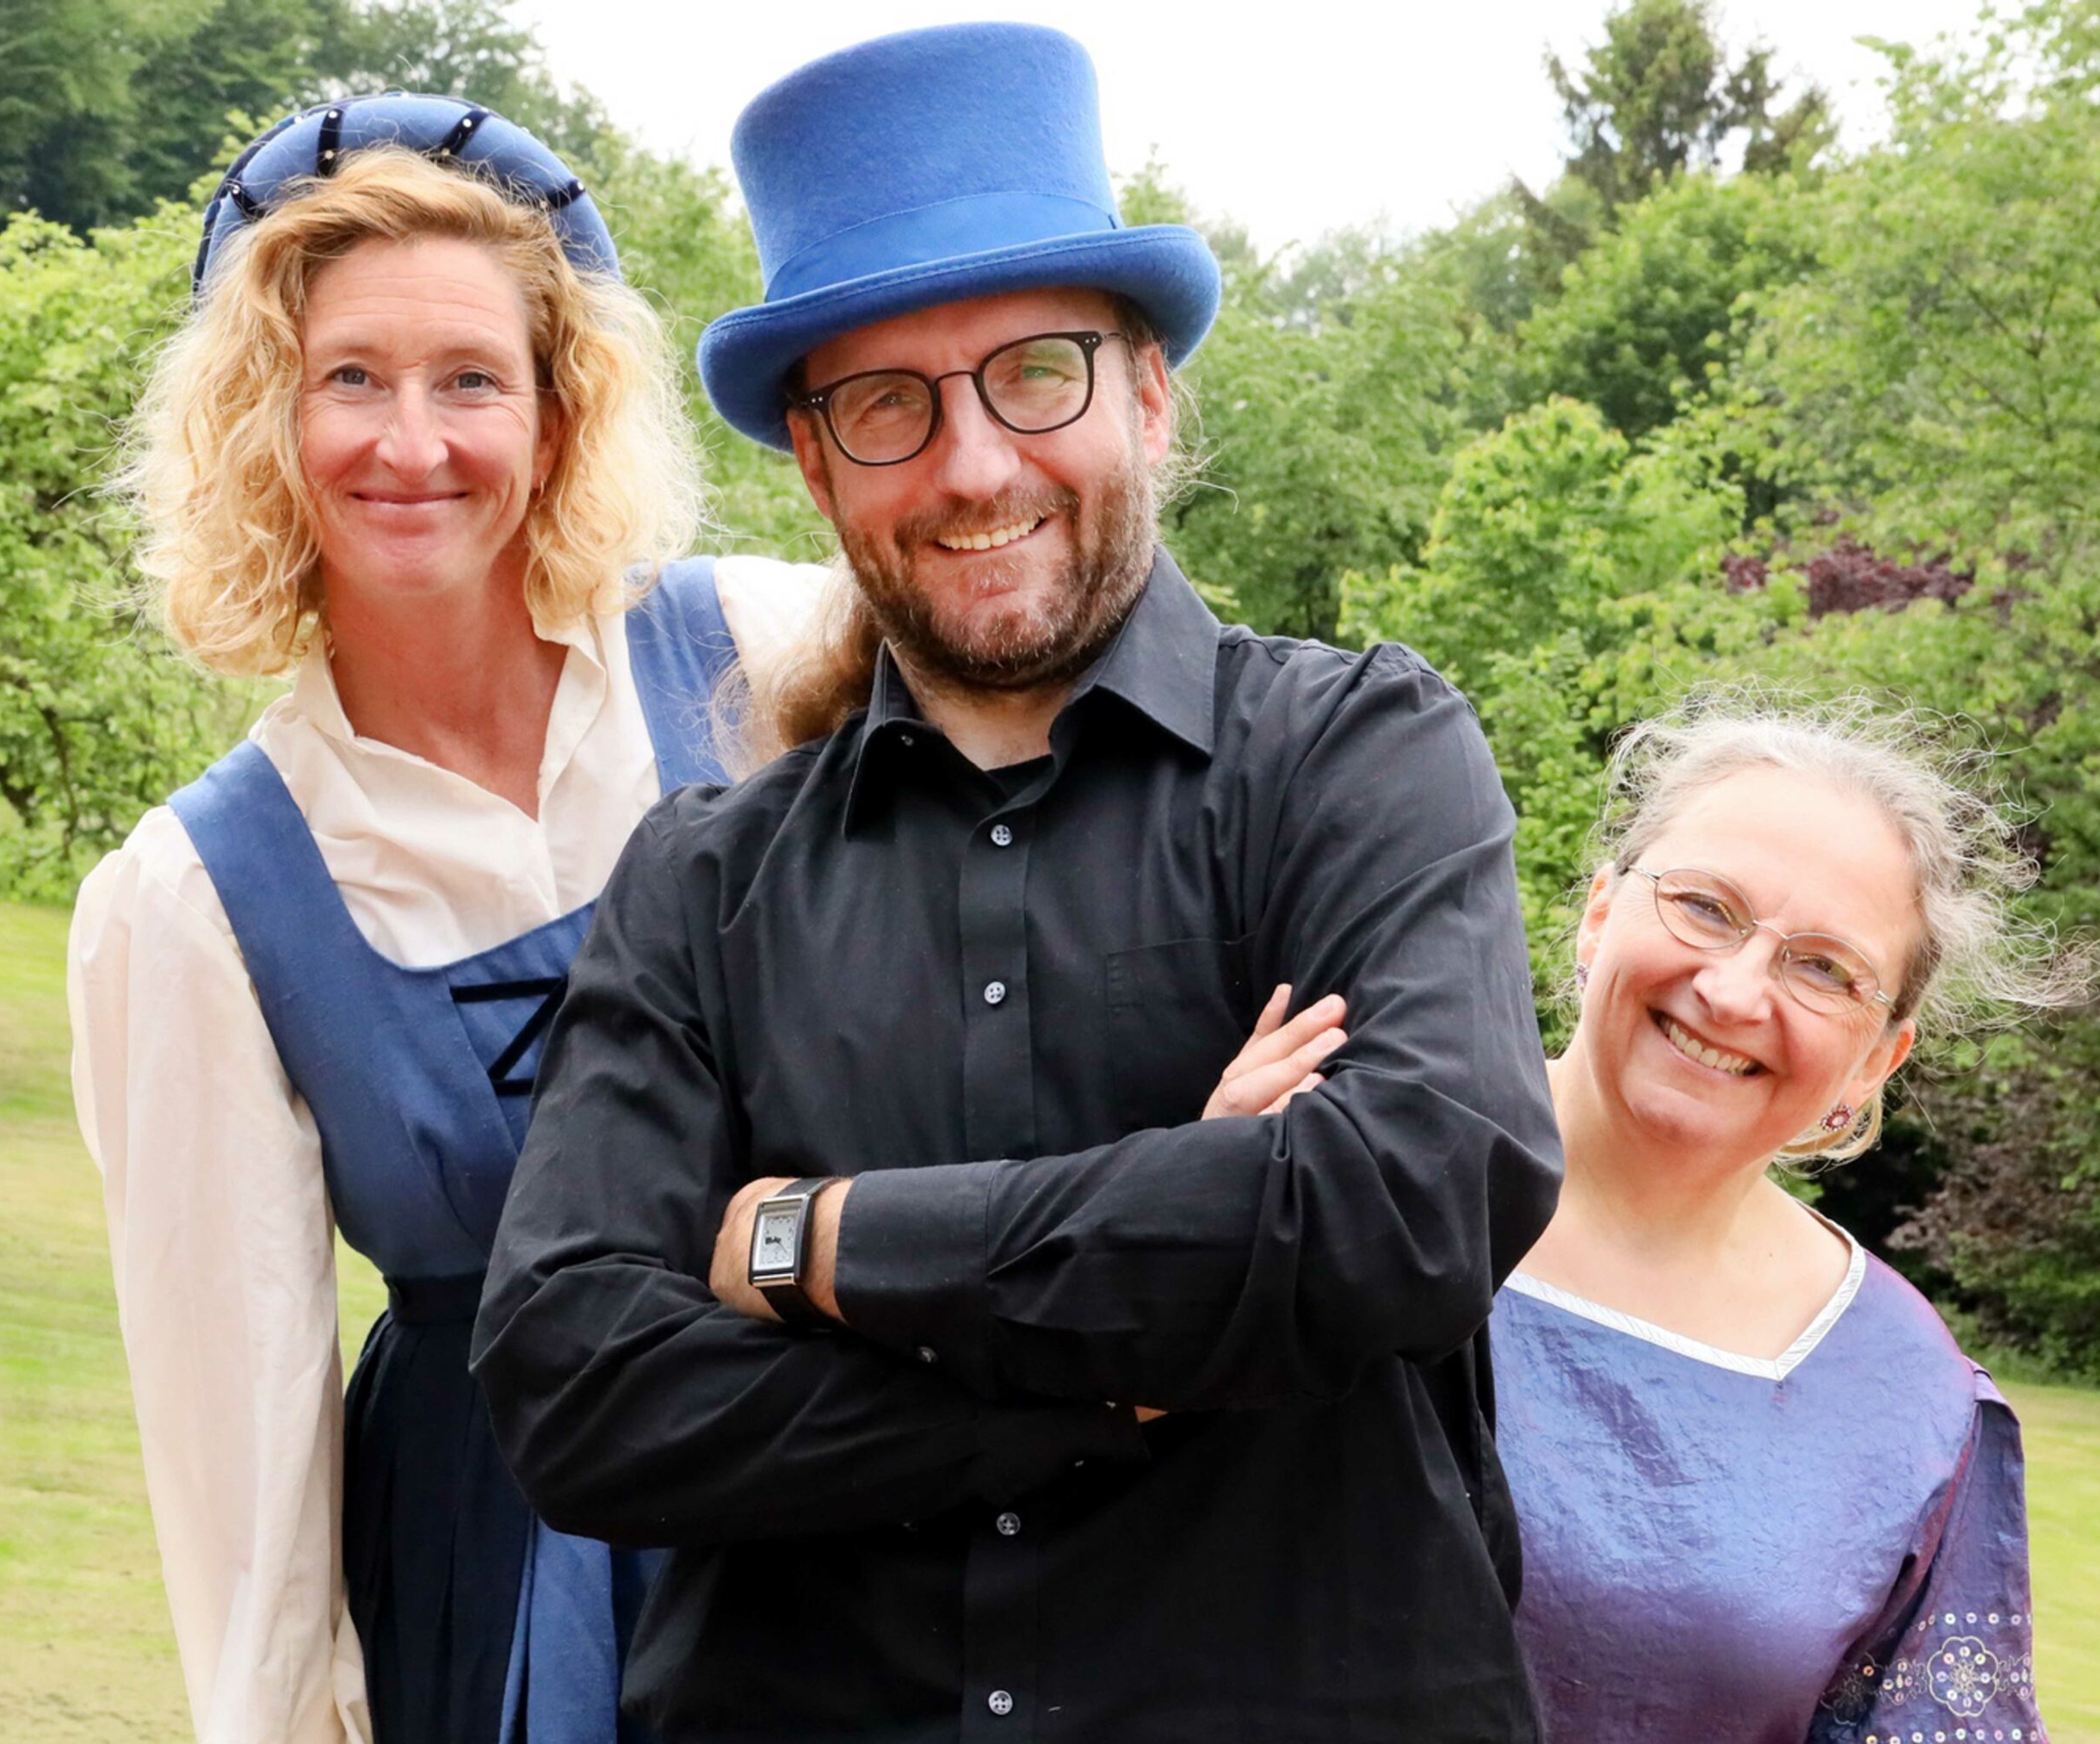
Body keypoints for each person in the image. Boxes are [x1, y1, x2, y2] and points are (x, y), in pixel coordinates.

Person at [472, 23, 1562, 1743]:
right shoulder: (698, 883)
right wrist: (1136, 1360)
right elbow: (583, 1391)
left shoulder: (1359, 756)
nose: (973, 464)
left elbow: (1409, 1200)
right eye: (887, 404)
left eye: (1033, 372)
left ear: (1145, 390)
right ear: (818, 466)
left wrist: (811, 1236)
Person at [67, 96, 819, 1744]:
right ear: (265, 420)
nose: (413, 444)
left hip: (854, 1489)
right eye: (350, 378)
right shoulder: (197, 897)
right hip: (496, 1582)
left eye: (471, 378)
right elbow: (243, 1454)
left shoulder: (764, 662)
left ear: (559, 416)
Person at [1481, 698, 2067, 1743]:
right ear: (1599, 913)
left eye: (1823, 968)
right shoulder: (1344, 1172)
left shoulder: (1907, 1402)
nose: (1735, 989)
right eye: (1704, 906)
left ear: (1876, 1059)